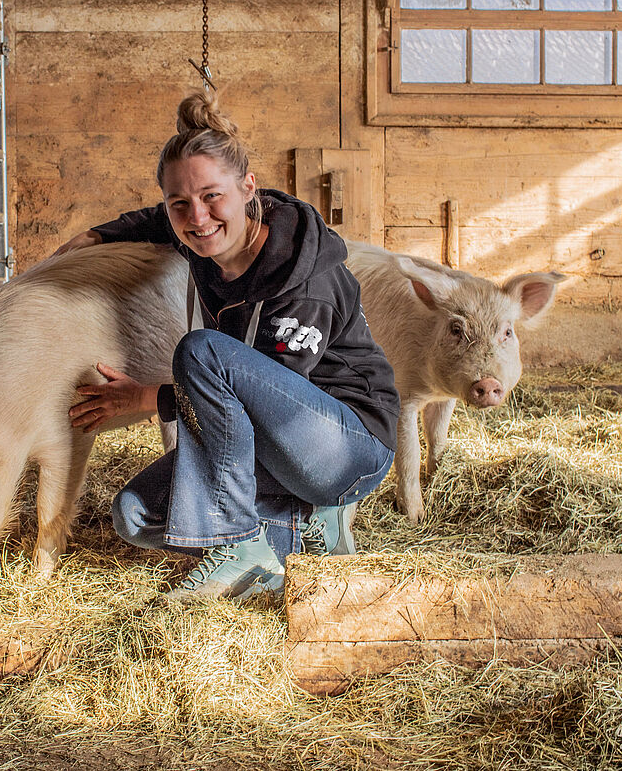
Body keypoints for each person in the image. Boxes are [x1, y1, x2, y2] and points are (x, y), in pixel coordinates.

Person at [55, 91, 400, 602]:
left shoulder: (303, 279)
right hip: (275, 446)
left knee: (201, 351)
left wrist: (150, 398)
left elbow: (262, 405)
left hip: (347, 445)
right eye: (181, 203)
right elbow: (153, 220)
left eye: (212, 196)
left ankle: (241, 545)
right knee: (135, 514)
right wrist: (94, 236)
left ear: (247, 187)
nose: (197, 217)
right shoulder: (199, 233)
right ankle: (306, 531)